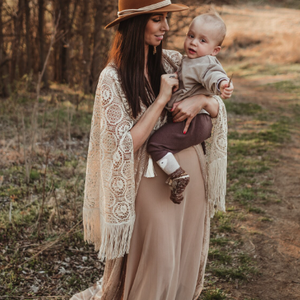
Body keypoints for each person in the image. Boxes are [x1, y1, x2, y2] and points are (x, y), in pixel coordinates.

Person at [70, 1, 228, 299]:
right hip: (151, 180)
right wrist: (160, 100)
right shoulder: (112, 78)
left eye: (166, 18)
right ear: (135, 24)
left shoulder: (170, 61)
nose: (166, 27)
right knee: (160, 259)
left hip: (192, 173)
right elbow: (125, 145)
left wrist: (203, 103)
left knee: (184, 256)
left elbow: (214, 95)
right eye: (157, 19)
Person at [147, 12, 233, 204]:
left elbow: (213, 75)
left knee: (155, 144)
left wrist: (222, 84)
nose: (194, 43)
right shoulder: (188, 60)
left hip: (196, 121)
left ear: (215, 50)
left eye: (203, 40)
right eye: (191, 36)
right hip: (196, 121)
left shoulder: (206, 62)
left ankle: (178, 175)